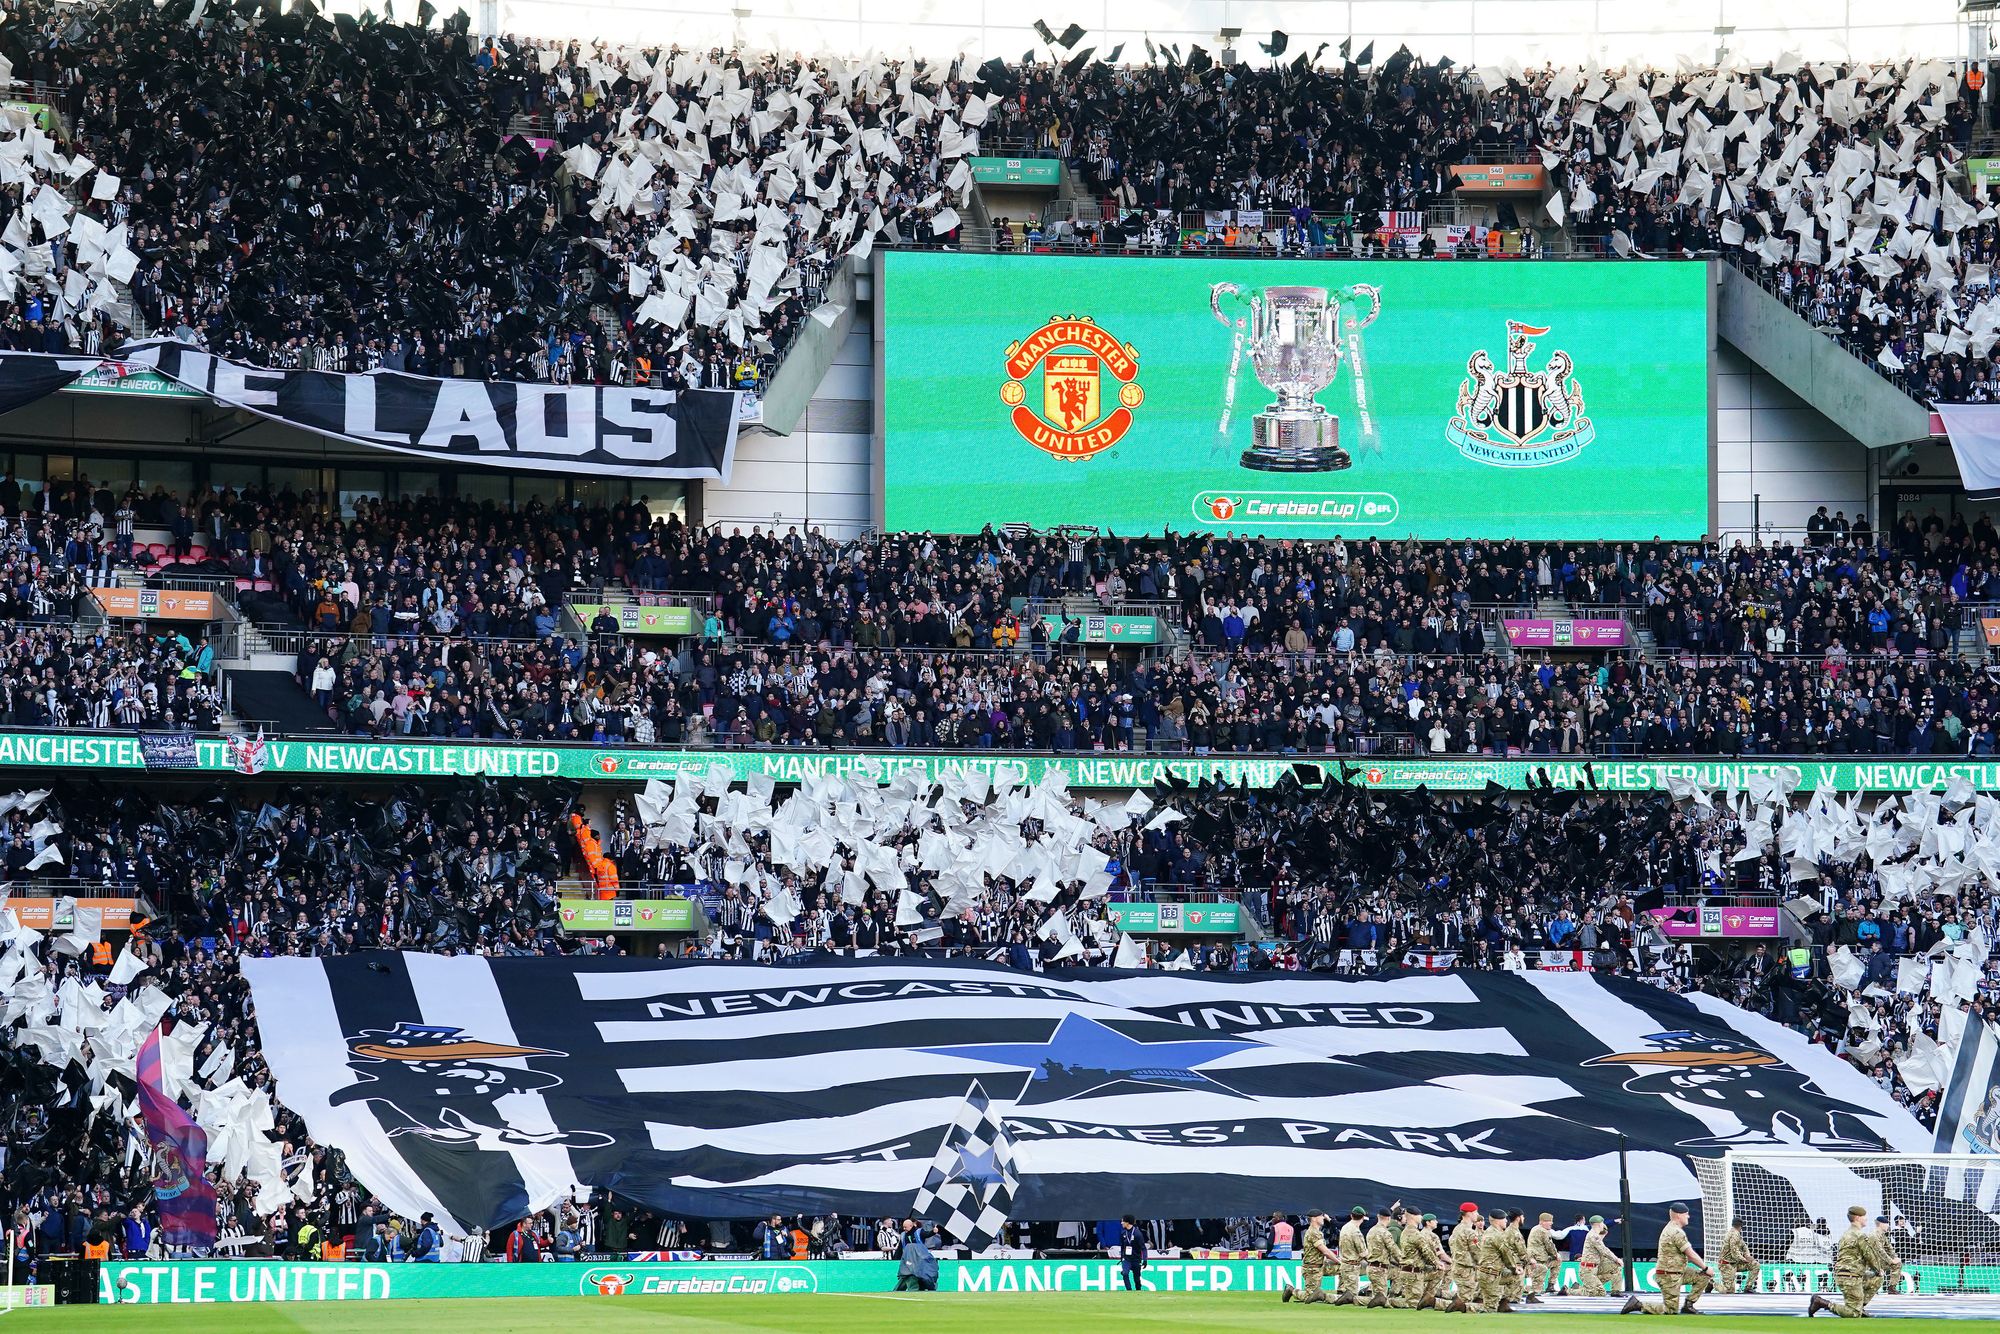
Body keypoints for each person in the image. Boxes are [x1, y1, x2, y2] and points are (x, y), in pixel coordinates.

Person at [1622, 1202, 1712, 1315]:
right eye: (1686, 1214)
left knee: (1703, 1277)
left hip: (1678, 1272)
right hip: (1669, 1275)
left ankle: (1688, 1305)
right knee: (1670, 1310)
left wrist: (1705, 1271)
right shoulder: (1676, 1232)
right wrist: (1706, 1267)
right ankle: (1638, 1304)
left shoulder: (1672, 1228)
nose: (1688, 1216)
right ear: (1679, 1215)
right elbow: (1691, 1255)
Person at [1808, 1205, 1887, 1318]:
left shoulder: (1845, 1234)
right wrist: (1878, 1269)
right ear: (1858, 1218)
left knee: (1877, 1278)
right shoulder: (1860, 1235)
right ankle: (1821, 1302)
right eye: (1864, 1217)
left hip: (1848, 1274)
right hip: (1851, 1275)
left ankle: (1859, 1306)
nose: (1866, 1219)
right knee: (1853, 1314)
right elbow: (1870, 1256)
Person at [1476, 1208, 1525, 1314]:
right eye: (1504, 1219)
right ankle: (1462, 1306)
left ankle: (1503, 1302)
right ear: (1498, 1221)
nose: (1506, 1221)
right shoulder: (1496, 1235)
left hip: (1490, 1273)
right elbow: (1506, 1254)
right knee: (1490, 1308)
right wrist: (1514, 1268)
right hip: (1490, 1274)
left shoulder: (1490, 1232)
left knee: (1516, 1277)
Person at [1282, 1209, 1334, 1305]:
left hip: (1320, 1265)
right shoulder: (1313, 1233)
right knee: (1310, 1297)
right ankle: (1292, 1291)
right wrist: (1338, 1260)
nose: (1323, 1218)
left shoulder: (1317, 1232)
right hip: (1312, 1268)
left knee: (1345, 1268)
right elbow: (1326, 1251)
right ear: (1314, 1218)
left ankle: (1343, 1291)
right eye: (1321, 1216)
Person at [1403, 1212, 1450, 1311]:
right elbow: (1440, 1253)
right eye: (1434, 1220)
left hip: (1416, 1268)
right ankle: (1429, 1297)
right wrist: (1450, 1261)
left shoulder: (1418, 1233)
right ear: (1428, 1223)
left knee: (1412, 1298)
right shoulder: (1432, 1236)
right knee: (1442, 1271)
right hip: (1424, 1268)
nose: (1437, 1222)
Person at [1447, 1202, 1483, 1312]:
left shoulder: (1457, 1228)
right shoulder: (1469, 1231)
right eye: (1475, 1212)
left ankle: (1434, 1301)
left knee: (1464, 1297)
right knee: (1465, 1301)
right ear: (1469, 1214)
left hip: (1458, 1266)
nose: (1477, 1215)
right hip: (1465, 1269)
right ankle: (1433, 1302)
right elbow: (1477, 1253)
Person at [1365, 1205, 1401, 1307]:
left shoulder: (1371, 1231)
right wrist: (1404, 1262)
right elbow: (1394, 1250)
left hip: (1371, 1266)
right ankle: (1351, 1298)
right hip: (1379, 1268)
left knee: (1376, 1297)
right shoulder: (1385, 1232)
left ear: (1378, 1216)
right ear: (1389, 1218)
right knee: (1381, 1299)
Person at [1580, 1216, 1624, 1296]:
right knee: (1597, 1293)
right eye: (1602, 1223)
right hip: (1588, 1270)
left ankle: (1616, 1291)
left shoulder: (1595, 1235)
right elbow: (1604, 1250)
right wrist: (1616, 1259)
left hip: (1596, 1268)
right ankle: (1570, 1291)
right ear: (1599, 1224)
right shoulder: (1593, 1235)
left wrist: (1616, 1261)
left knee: (1616, 1267)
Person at [1525, 1211, 1562, 1301]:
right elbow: (1549, 1246)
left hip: (1538, 1259)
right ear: (1542, 1222)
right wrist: (1556, 1254)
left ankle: (1550, 1285)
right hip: (1538, 1260)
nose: (1551, 1223)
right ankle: (1545, 1286)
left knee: (1556, 1262)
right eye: (1549, 1221)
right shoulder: (1543, 1231)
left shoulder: (1535, 1228)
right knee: (1557, 1260)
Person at [1335, 1206, 1368, 1305]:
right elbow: (1363, 1253)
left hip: (1344, 1263)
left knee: (1345, 1293)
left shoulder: (1345, 1227)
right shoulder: (1356, 1232)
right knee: (1352, 1297)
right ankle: (1323, 1296)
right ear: (1363, 1218)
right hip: (1352, 1266)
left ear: (1351, 1216)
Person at [895, 1219, 938, 1292]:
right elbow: (900, 1248)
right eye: (903, 1227)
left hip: (919, 1260)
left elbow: (927, 1234)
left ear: (911, 1226)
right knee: (907, 1275)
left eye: (906, 1227)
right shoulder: (902, 1235)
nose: (904, 1229)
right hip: (908, 1260)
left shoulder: (919, 1232)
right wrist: (895, 1258)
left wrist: (933, 1232)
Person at [1715, 1218, 1755, 1294]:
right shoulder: (1734, 1235)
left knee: (1754, 1265)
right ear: (1740, 1227)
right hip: (1726, 1265)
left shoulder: (1736, 1234)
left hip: (1735, 1263)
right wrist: (1745, 1260)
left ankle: (1748, 1288)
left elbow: (1744, 1246)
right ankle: (1712, 1283)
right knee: (1728, 1291)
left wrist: (1747, 1255)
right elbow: (1734, 1253)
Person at [1118, 1214, 1148, 1291]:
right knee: (1125, 1273)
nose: (1121, 1223)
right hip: (1127, 1259)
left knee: (1137, 1279)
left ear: (1127, 1222)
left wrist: (1145, 1260)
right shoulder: (1123, 1233)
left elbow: (1143, 1248)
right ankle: (1129, 1291)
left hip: (1136, 1259)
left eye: (1122, 1221)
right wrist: (1122, 1257)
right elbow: (1122, 1247)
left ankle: (1138, 1291)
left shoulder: (1137, 1234)